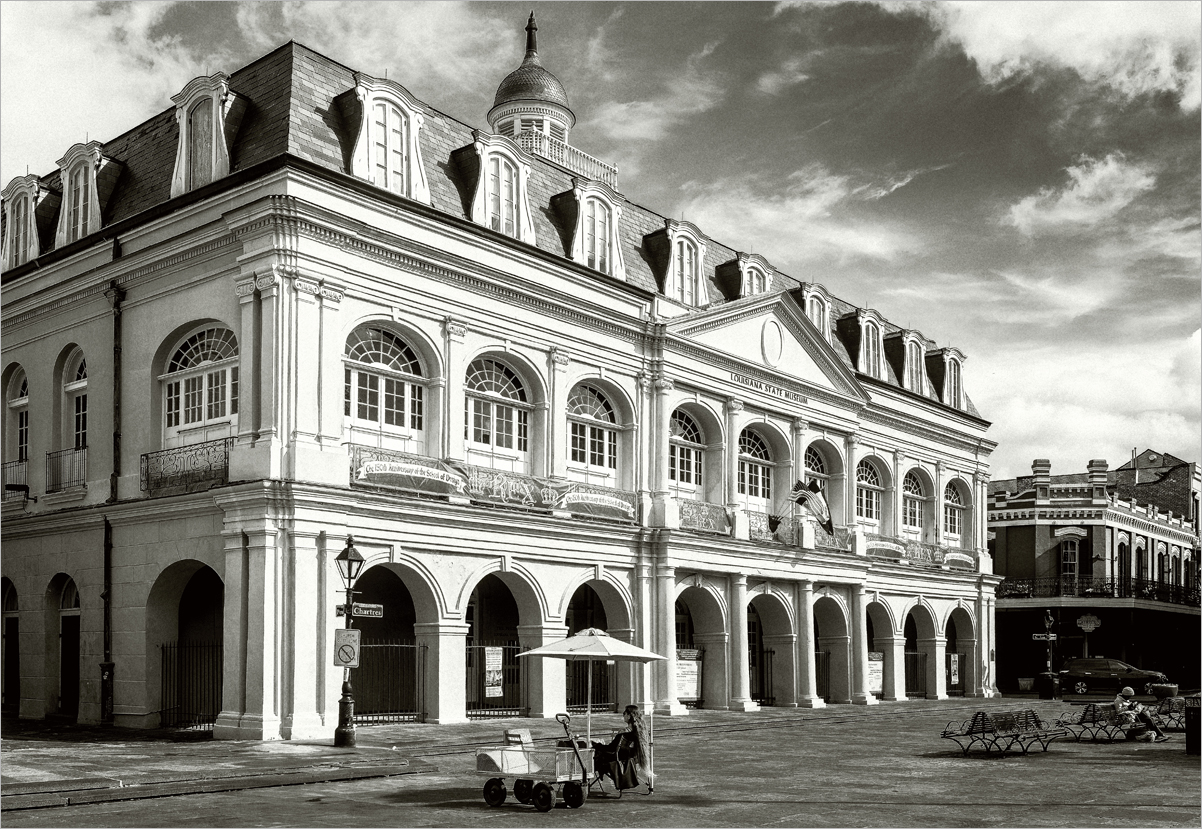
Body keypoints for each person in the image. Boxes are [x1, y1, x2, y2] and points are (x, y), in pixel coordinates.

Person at [592, 704, 651, 789]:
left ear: (629, 716)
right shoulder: (641, 732)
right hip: (632, 759)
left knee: (595, 754)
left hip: (617, 760)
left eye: (624, 713)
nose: (623, 715)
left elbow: (611, 749)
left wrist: (596, 744)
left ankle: (587, 779)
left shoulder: (623, 735)